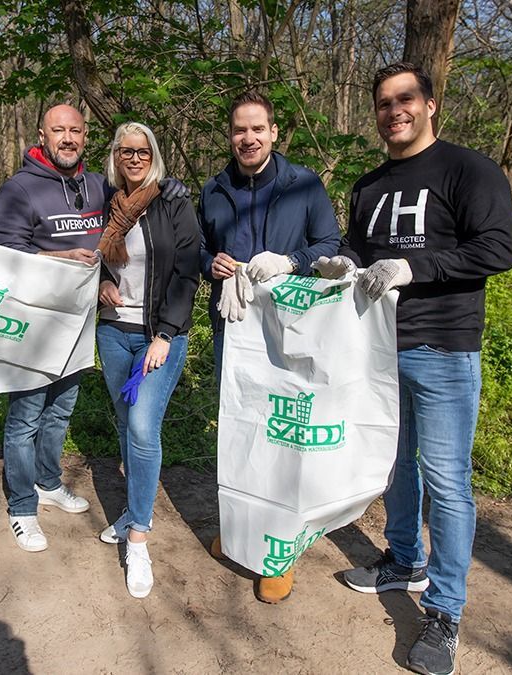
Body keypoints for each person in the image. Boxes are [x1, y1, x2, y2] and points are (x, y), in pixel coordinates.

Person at [321, 63, 512, 675]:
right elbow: (363, 249)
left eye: (405, 99)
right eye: (383, 103)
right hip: (377, 351)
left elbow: (497, 247)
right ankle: (402, 559)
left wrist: (417, 269)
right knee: (394, 465)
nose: (393, 110)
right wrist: (337, 262)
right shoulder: (370, 184)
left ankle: (444, 612)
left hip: (443, 351)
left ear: (430, 104)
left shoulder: (469, 170)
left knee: (447, 481)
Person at [0, 104, 189, 552]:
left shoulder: (100, 187)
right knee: (25, 417)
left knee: (61, 411)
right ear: (41, 135)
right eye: (57, 130)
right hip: (31, 323)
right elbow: (4, 256)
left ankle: (47, 482)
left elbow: (134, 221)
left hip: (81, 323)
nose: (67, 137)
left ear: (85, 137)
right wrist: (60, 260)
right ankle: (22, 507)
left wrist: (170, 186)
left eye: (75, 130)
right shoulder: (19, 189)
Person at [199, 91, 341, 603]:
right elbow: (198, 248)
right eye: (239, 130)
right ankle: (241, 534)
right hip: (234, 332)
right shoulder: (214, 190)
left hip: (293, 335)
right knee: (241, 431)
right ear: (230, 134)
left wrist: (290, 261)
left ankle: (278, 555)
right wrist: (209, 263)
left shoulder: (303, 184)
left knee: (283, 436)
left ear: (274, 132)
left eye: (257, 129)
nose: (248, 138)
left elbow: (331, 246)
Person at [93, 122, 200, 598]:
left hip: (159, 335)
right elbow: (96, 261)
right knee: (124, 424)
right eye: (125, 151)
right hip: (114, 331)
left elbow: (187, 271)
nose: (133, 158)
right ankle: (134, 508)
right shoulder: (107, 206)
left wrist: (166, 333)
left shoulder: (173, 202)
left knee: (141, 427)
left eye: (142, 151)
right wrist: (100, 284)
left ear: (153, 154)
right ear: (115, 156)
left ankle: (139, 538)